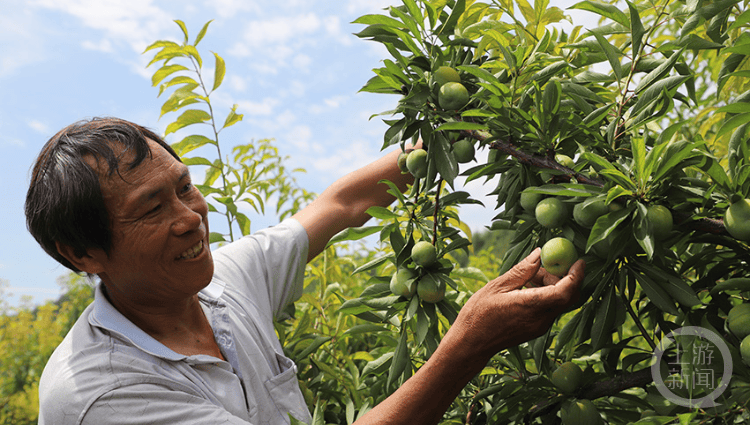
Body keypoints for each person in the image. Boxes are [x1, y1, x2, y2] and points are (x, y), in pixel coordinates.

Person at [26, 117, 585, 425]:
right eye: (152, 209)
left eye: (184, 187)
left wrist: (457, 136)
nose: (191, 217)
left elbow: (341, 205)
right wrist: (469, 342)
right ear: (82, 254)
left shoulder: (221, 284)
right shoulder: (99, 394)